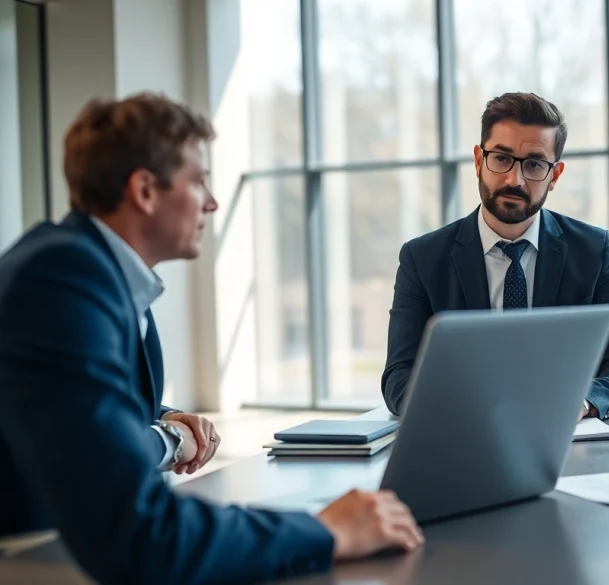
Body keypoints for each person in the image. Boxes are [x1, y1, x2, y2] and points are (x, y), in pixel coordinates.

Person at [0, 93, 422, 584]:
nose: (212, 202)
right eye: (198, 180)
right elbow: (143, 536)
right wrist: (327, 531)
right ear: (145, 191)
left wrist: (157, 416)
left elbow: (71, 398)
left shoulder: (95, 272)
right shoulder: (61, 282)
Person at [382, 92, 609, 420]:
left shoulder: (595, 251)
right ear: (478, 161)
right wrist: (470, 410)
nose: (514, 179)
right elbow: (398, 377)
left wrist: (577, 404)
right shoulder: (422, 258)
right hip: (463, 432)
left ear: (554, 176)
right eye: (501, 158)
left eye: (534, 164)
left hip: (566, 439)